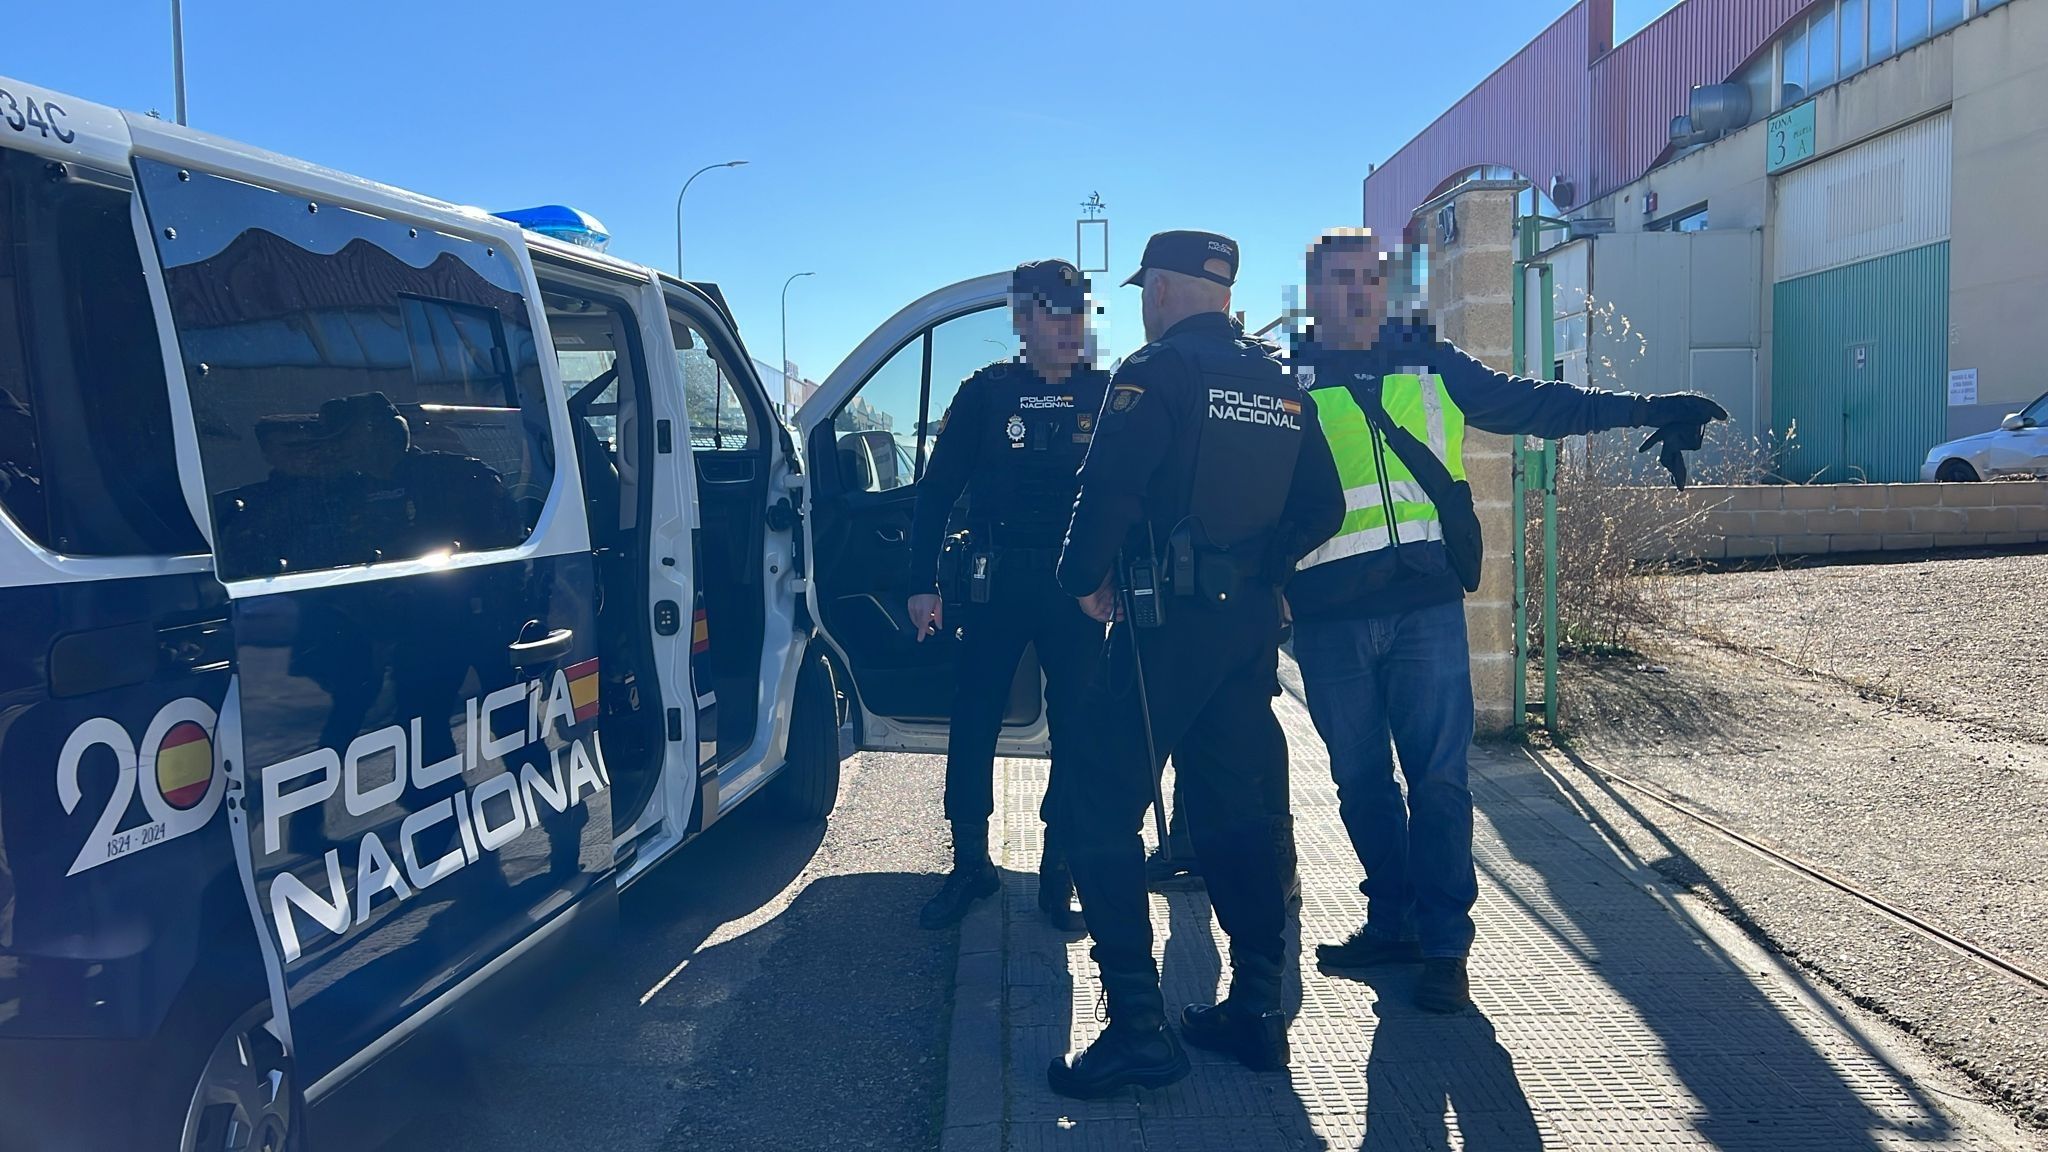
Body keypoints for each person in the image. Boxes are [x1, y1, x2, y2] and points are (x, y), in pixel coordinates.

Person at [1287, 229, 1727, 1013]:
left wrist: (1646, 410)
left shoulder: (1429, 363)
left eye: (1367, 280)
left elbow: (1537, 403)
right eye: (1337, 282)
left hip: (1423, 606)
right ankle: (1393, 922)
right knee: (1360, 784)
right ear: (1312, 294)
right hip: (1328, 616)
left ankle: (1445, 948)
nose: (1354, 295)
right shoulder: (1285, 380)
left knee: (1441, 781)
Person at [1046, 231, 1344, 1097]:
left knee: (1092, 808)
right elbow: (1322, 504)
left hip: (1161, 629)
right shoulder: (1281, 383)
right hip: (1245, 633)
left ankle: (1140, 1027)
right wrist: (1265, 569)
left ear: (1168, 289)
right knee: (1235, 812)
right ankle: (1256, 1012)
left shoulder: (1160, 371)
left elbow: (1108, 490)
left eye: (1149, 286)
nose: (1144, 300)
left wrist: (1081, 583)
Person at [909, 259, 1111, 933]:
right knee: (974, 719)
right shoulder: (986, 394)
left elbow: (1129, 496)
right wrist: (921, 584)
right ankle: (971, 865)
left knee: (1080, 728)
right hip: (996, 582)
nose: (1066, 326)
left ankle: (1061, 870)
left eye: (1075, 312)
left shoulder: (1109, 394)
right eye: (1050, 312)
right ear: (1021, 320)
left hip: (1076, 588)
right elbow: (935, 491)